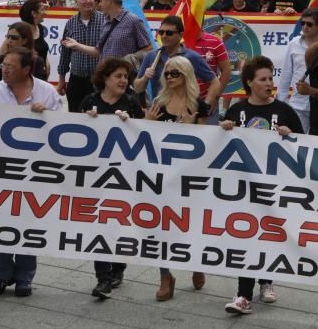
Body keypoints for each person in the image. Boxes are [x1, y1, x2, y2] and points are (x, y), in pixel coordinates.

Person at [222, 56, 303, 315]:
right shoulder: (237, 110)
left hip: (273, 187)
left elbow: (304, 146)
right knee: (246, 235)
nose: (269, 83)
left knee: (268, 233)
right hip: (244, 187)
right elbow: (221, 147)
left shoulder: (284, 110)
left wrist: (290, 135)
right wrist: (224, 129)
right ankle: (243, 294)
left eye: (271, 78)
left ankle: (266, 279)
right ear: (249, 82)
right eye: (263, 79)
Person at [0, 47, 61, 297]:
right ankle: (2, 273)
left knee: (28, 222)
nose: (3, 69)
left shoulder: (47, 92)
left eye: (10, 66)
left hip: (34, 170)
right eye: (3, 65)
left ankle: (25, 276)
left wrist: (46, 116)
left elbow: (63, 130)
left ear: (26, 70)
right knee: (1, 220)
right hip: (1, 169)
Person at [145, 56, 210, 300]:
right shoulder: (159, 104)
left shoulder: (198, 106)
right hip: (162, 176)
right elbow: (144, 139)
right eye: (167, 73)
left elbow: (207, 144)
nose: (170, 77)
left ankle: (197, 264)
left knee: (191, 224)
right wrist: (148, 122)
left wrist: (191, 128)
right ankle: (165, 276)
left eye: (175, 73)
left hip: (190, 176)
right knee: (162, 228)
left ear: (186, 75)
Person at [80, 58, 146, 300]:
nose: (123, 80)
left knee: (118, 223)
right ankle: (103, 278)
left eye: (125, 76)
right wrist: (86, 119)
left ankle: (117, 267)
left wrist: (130, 124)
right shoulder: (90, 101)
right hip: (96, 175)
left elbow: (144, 136)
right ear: (105, 78)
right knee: (101, 224)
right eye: (118, 76)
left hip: (124, 176)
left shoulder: (130, 102)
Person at [135, 15, 220, 103]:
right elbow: (137, 88)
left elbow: (215, 83)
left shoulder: (191, 57)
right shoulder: (151, 56)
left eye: (169, 33)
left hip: (184, 112)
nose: (164, 36)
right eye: (161, 32)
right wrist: (145, 78)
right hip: (159, 111)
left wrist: (206, 106)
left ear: (180, 35)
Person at [63, 0, 152, 61]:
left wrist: (130, 60)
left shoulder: (133, 20)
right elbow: (98, 52)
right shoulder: (106, 22)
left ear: (109, 1)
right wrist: (77, 45)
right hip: (106, 78)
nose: (99, 5)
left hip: (125, 78)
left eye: (101, 1)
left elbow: (149, 48)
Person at [57, 0, 104, 111]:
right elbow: (65, 54)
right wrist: (61, 80)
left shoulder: (105, 21)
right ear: (76, 2)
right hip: (76, 80)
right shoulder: (70, 23)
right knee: (75, 115)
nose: (88, 1)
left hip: (99, 80)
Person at [277, 9, 318, 132]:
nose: (304, 27)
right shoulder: (293, 43)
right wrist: (281, 102)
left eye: (309, 24)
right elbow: (286, 74)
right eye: (302, 23)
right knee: (295, 140)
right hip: (297, 103)